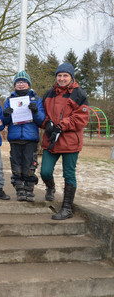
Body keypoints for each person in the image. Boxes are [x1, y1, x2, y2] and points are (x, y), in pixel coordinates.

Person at [40, 63, 89, 220]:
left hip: (70, 142)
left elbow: (82, 118)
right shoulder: (49, 94)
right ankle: (51, 187)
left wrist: (63, 124)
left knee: (69, 174)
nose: (61, 78)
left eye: (65, 76)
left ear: (71, 77)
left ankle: (67, 208)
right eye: (59, 76)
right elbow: (43, 114)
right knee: (45, 171)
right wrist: (46, 123)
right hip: (51, 141)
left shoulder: (79, 95)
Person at [3, 71, 45, 202]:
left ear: (28, 84)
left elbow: (41, 120)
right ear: (15, 85)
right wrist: (6, 114)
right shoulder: (9, 100)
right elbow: (4, 122)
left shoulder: (36, 99)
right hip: (15, 138)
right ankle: (19, 189)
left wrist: (36, 111)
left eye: (24, 82)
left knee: (30, 165)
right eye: (18, 82)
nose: (21, 84)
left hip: (30, 138)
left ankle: (29, 189)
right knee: (16, 165)